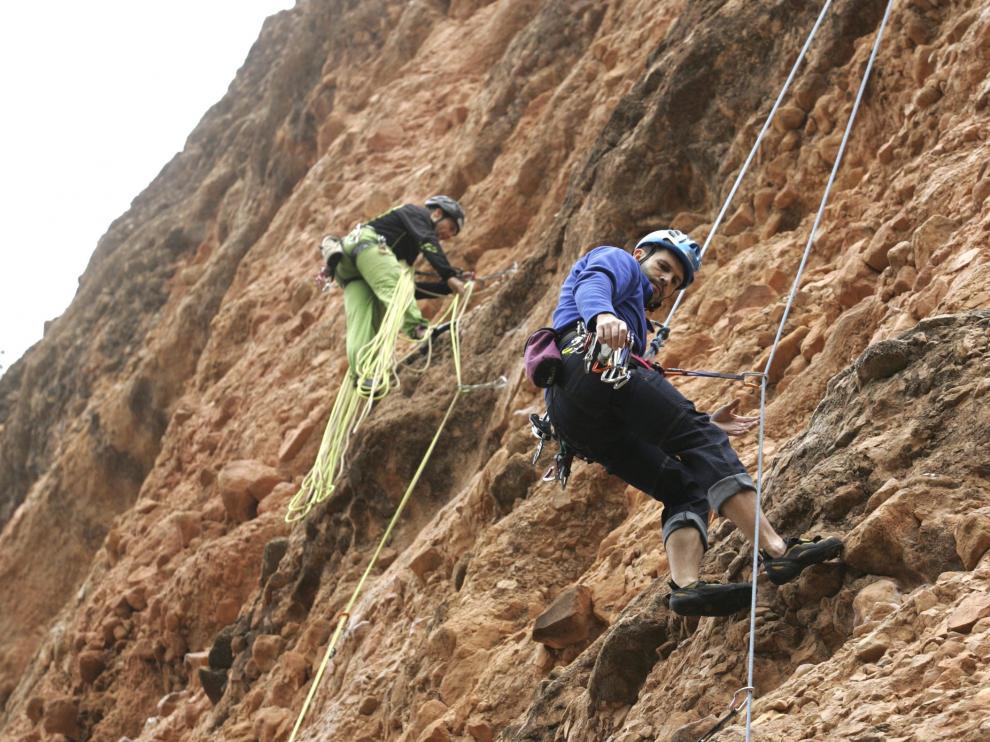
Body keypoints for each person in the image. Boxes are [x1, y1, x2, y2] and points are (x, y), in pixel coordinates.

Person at [545, 229, 842, 616]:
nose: (666, 281)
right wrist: (601, 314)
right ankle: (778, 550)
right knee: (699, 439)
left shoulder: (631, 319)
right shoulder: (619, 262)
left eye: (675, 281)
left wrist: (705, 424)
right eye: (664, 267)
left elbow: (644, 408)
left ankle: (685, 586)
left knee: (685, 490)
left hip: (576, 415)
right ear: (640, 254)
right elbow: (594, 282)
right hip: (589, 361)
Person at [328, 195, 468, 378]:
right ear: (438, 213)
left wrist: (445, 288)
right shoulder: (417, 213)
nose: (448, 236)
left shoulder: (404, 245)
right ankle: (420, 330)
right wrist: (449, 275)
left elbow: (409, 290)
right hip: (367, 246)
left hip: (349, 269)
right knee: (395, 289)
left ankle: (363, 375)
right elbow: (427, 241)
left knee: (363, 324)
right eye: (450, 228)